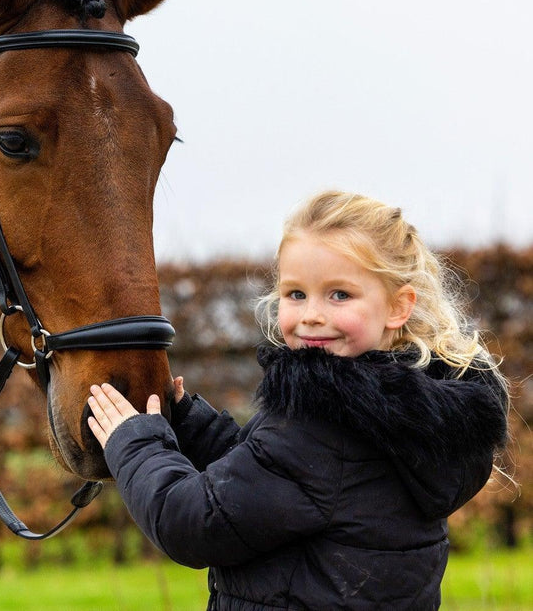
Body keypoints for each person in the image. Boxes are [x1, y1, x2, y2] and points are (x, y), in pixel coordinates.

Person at [87, 190, 510, 610]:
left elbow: (193, 522)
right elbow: (273, 482)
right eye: (296, 294)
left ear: (398, 307)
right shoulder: (410, 416)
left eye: (339, 294)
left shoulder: (324, 422)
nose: (311, 314)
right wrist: (193, 428)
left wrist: (136, 443)